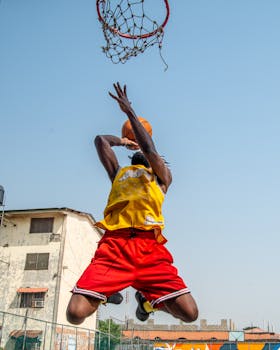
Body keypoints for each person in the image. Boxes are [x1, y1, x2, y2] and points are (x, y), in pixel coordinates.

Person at [66, 82, 198, 325]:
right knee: (74, 314)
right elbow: (99, 141)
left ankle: (146, 302)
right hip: (115, 247)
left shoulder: (161, 177)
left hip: (150, 249)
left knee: (190, 314)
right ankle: (107, 293)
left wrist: (129, 113)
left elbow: (149, 147)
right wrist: (124, 142)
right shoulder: (119, 174)